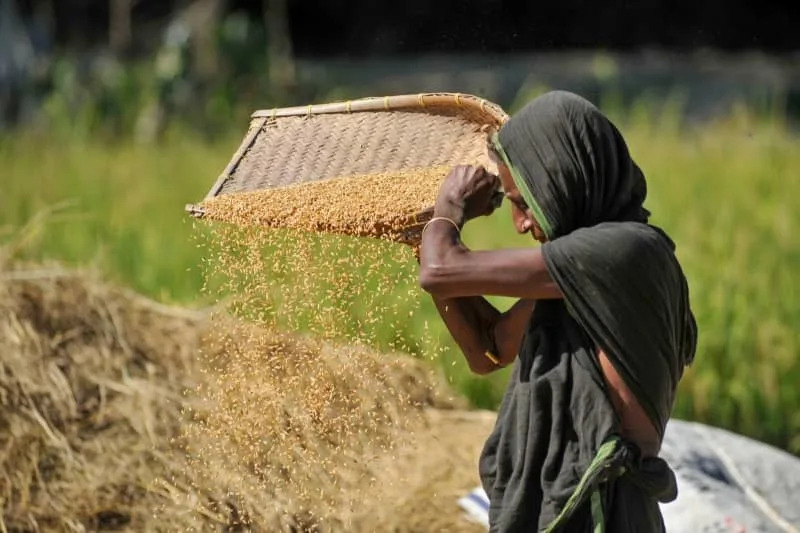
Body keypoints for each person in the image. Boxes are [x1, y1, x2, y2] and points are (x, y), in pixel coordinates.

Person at [418, 90, 697, 532]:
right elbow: (488, 349)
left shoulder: (624, 253)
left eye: (523, 202)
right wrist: (430, 240)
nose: (520, 224)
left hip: (601, 512)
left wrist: (448, 213)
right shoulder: (578, 284)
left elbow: (441, 270)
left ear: (564, 177)